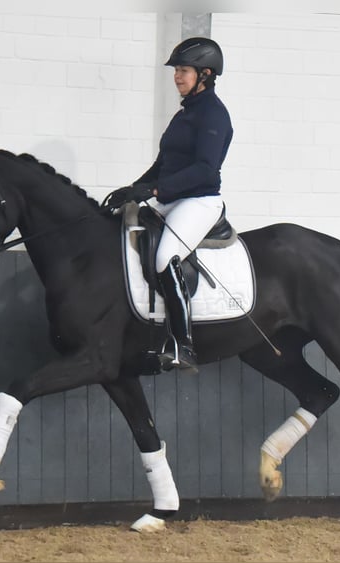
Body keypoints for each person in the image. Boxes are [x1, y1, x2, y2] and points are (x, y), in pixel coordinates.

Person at [110, 37, 233, 374]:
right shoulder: (185, 114)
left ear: (204, 74)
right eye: (176, 70)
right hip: (169, 197)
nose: (177, 76)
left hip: (198, 201)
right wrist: (133, 189)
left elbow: (204, 170)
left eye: (183, 70)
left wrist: (153, 189)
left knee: (166, 256)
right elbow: (163, 163)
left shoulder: (213, 115)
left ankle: (183, 344)